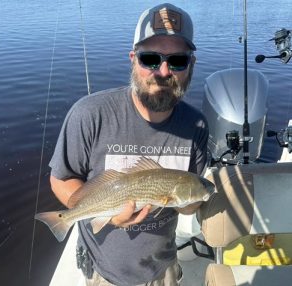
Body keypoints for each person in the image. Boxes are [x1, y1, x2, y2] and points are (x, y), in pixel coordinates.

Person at [49, 3, 208, 286]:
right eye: (150, 59)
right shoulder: (89, 113)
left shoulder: (197, 125)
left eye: (177, 61)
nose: (162, 71)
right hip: (103, 271)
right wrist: (105, 216)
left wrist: (192, 201)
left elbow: (187, 204)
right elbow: (61, 179)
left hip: (163, 267)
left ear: (190, 66)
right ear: (133, 59)